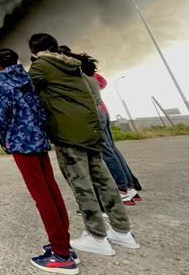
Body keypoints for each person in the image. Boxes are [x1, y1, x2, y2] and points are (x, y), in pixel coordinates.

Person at [28, 34, 139, 256]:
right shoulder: (74, 65)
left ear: (33, 50)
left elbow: (25, 88)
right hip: (91, 129)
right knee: (103, 179)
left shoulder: (42, 66)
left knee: (82, 184)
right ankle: (122, 231)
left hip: (69, 133)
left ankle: (97, 236)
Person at [0, 48, 79, 274]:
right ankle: (63, 244)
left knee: (42, 197)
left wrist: (5, 142)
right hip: (39, 141)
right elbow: (41, 110)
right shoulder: (28, 79)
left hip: (21, 144)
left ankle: (61, 255)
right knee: (51, 190)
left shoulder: (0, 85)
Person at [61, 49, 143, 204]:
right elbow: (102, 82)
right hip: (101, 112)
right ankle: (130, 188)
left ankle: (122, 190)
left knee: (106, 152)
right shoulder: (89, 75)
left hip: (94, 114)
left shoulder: (80, 77)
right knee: (111, 150)